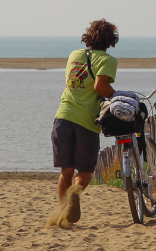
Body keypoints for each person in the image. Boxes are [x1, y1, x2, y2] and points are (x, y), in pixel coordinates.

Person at [49, 19, 118, 227]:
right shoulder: (108, 60)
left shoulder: (74, 55)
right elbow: (100, 86)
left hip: (62, 117)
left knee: (66, 172)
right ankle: (75, 193)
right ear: (110, 40)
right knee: (85, 171)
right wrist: (117, 96)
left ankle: (63, 216)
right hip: (86, 122)